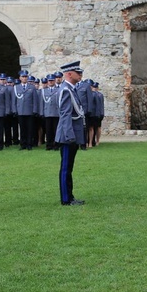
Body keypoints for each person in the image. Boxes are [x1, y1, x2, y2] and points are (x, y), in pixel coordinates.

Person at [56, 61, 86, 206]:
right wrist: (70, 137)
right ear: (69, 74)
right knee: (66, 168)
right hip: (69, 136)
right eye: (77, 72)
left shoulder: (71, 89)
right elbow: (65, 115)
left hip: (72, 134)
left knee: (69, 167)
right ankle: (66, 199)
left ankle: (69, 196)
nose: (80, 74)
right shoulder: (66, 90)